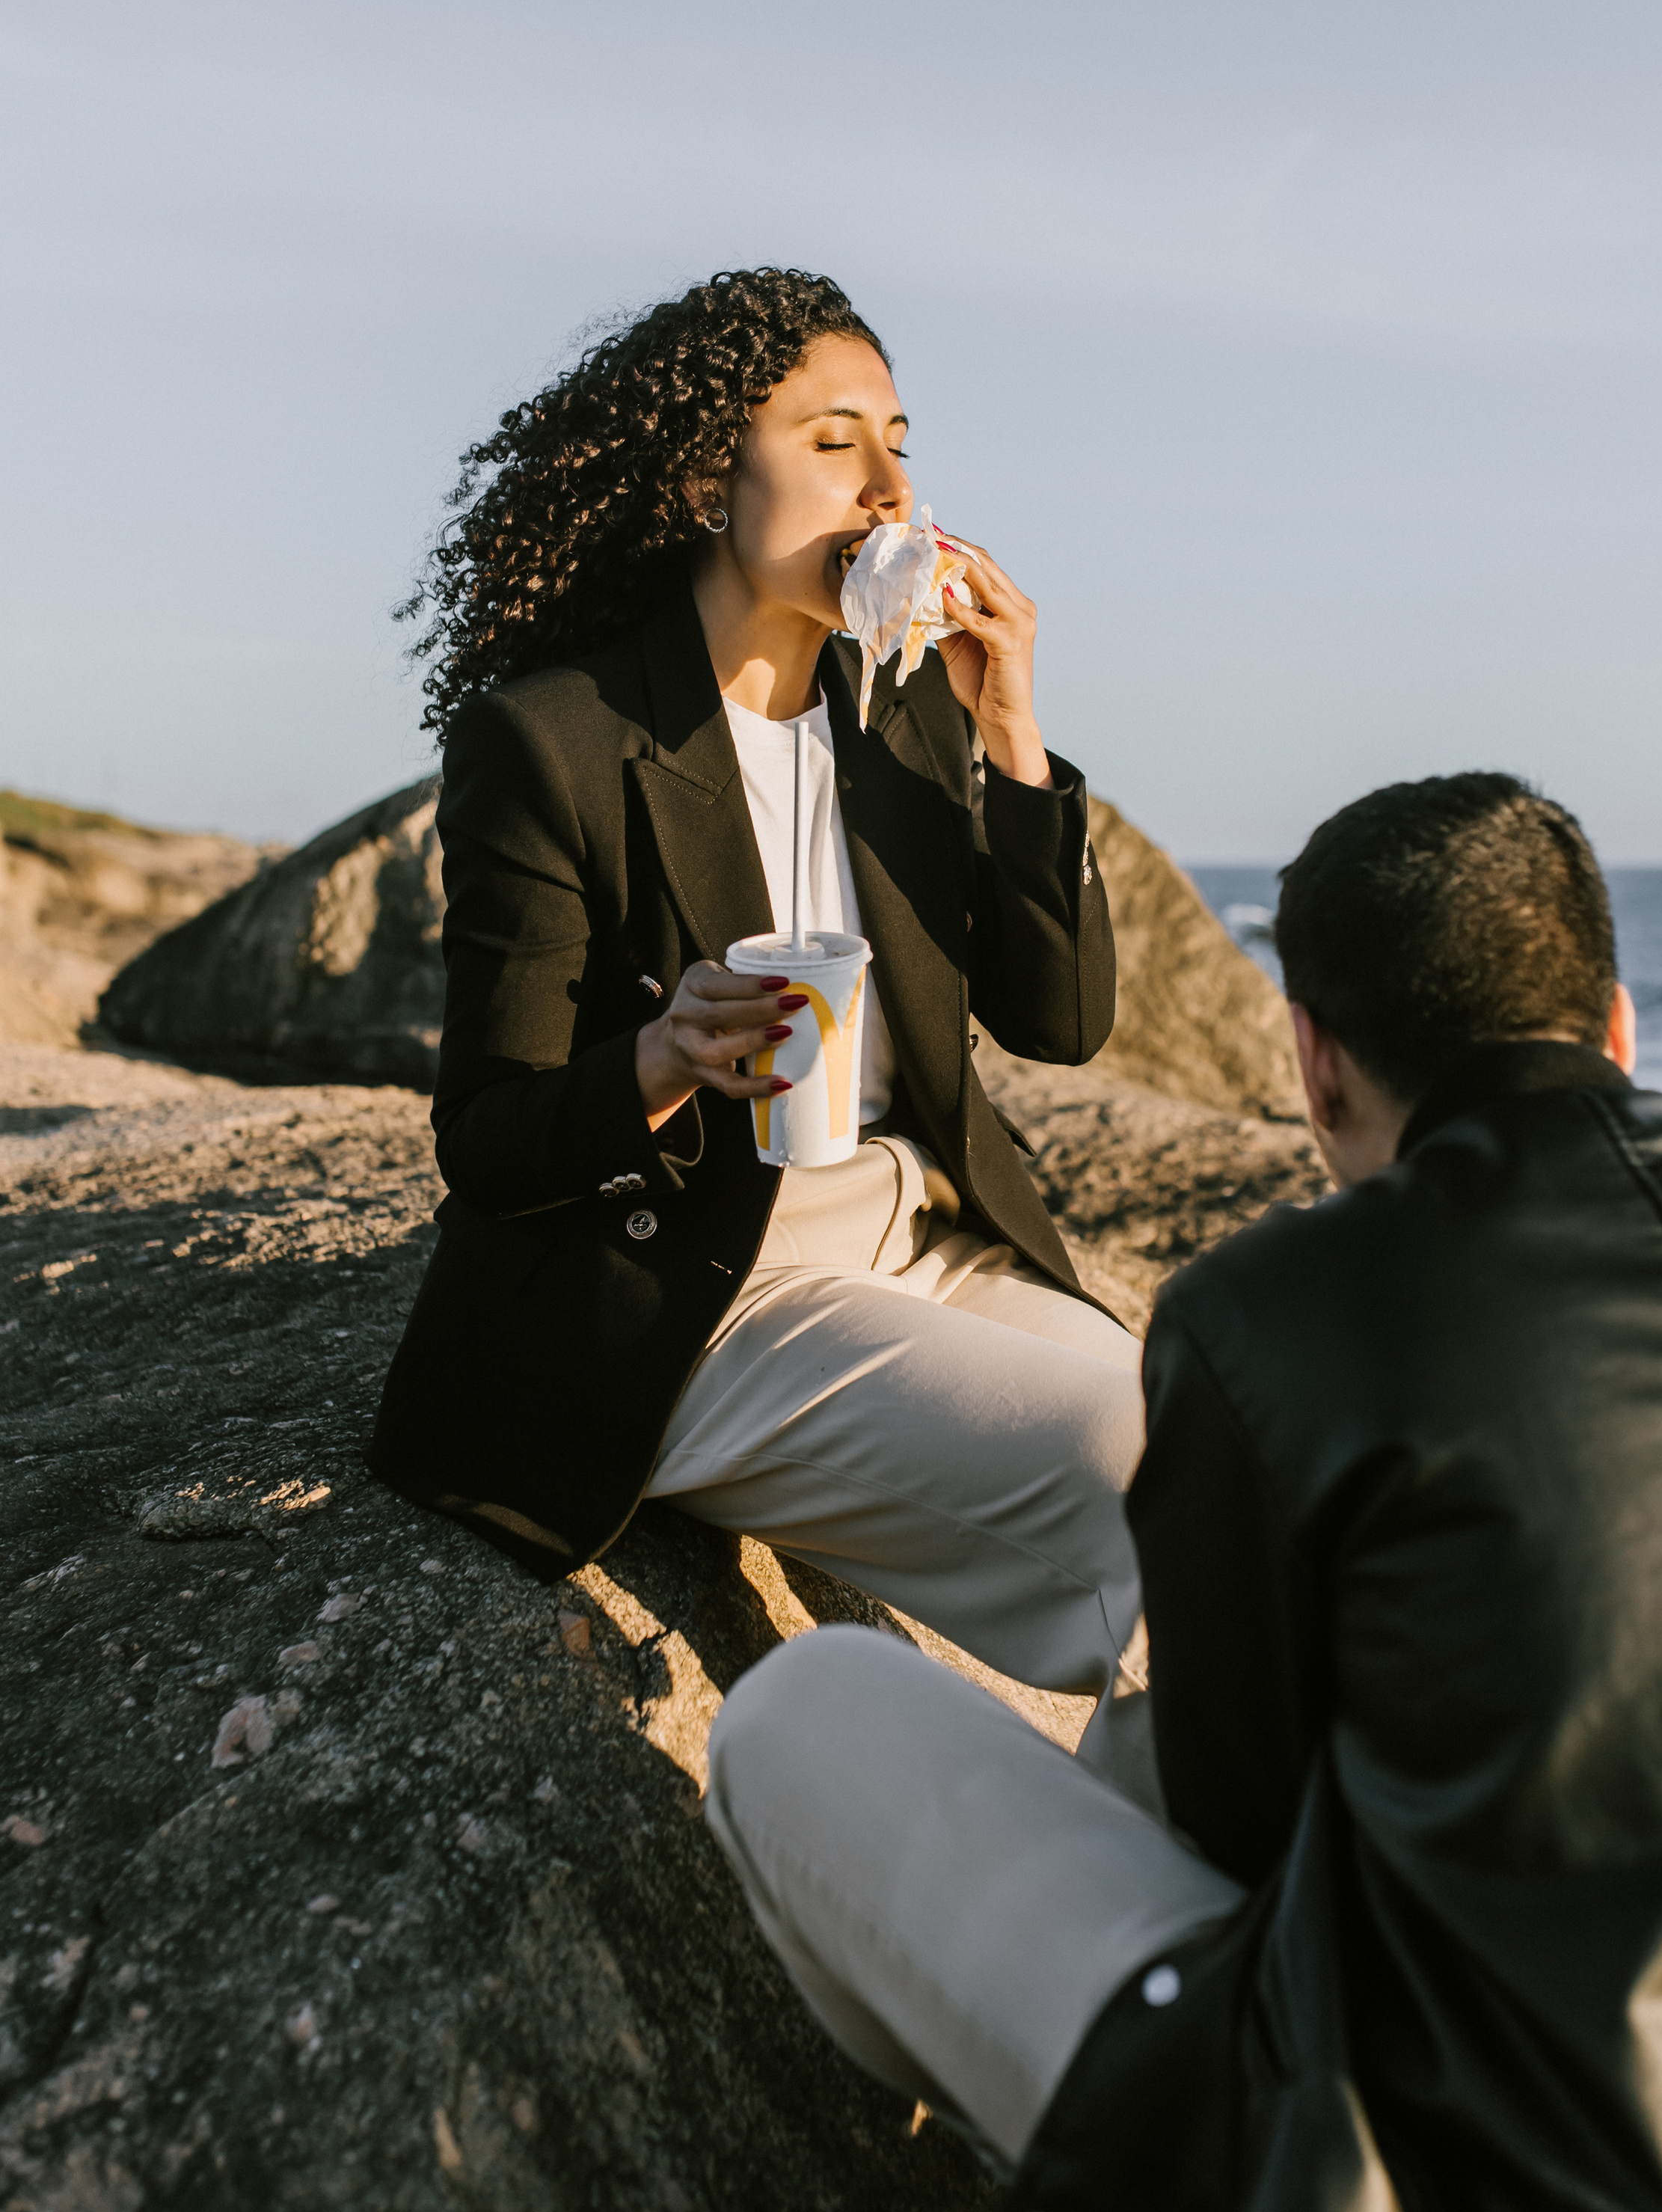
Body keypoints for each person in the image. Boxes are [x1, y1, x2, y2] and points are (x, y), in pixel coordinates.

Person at [706, 770, 1662, 2212]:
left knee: (812, 1715)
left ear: (1314, 1066)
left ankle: (1029, 2203)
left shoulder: (1268, 1315)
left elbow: (1242, 1825)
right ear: (1617, 1028)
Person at [371, 268, 1150, 1783]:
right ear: (701, 478)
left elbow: (1057, 1025)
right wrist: (659, 1062)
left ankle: (1184, 1911)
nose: (889, 486)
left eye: (901, 443)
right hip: (704, 1284)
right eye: (834, 439)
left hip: (914, 1239)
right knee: (1129, 1478)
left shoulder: (906, 708)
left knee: (1233, 1462)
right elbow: (487, 1139)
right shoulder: (556, 738)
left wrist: (1012, 734)